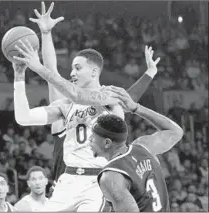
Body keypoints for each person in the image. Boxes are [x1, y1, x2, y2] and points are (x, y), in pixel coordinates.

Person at [13, 4, 159, 212]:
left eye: (77, 68)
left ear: (94, 72)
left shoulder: (110, 94)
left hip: (98, 180)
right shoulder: (66, 105)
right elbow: (23, 118)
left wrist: (37, 66)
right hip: (67, 180)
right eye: (72, 68)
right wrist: (19, 77)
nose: (72, 72)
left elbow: (77, 94)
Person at [88, 90, 183, 211]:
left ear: (107, 143)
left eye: (93, 137)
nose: (89, 140)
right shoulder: (143, 147)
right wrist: (136, 108)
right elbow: (175, 131)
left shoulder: (111, 176)